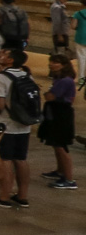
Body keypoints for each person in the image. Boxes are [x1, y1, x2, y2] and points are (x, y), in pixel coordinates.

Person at [0, 48, 36, 207]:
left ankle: (3, 197)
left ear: (10, 60)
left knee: (5, 160)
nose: (1, 56)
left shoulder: (0, 77)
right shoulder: (26, 75)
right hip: (23, 124)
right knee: (21, 159)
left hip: (5, 125)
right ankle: (22, 196)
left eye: (5, 55)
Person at [40, 53, 76, 190]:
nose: (51, 64)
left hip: (61, 115)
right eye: (51, 61)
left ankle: (69, 179)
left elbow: (50, 96)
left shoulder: (65, 81)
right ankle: (60, 171)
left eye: (56, 62)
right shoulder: (59, 79)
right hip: (56, 113)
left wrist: (47, 94)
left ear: (64, 65)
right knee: (56, 144)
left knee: (61, 146)